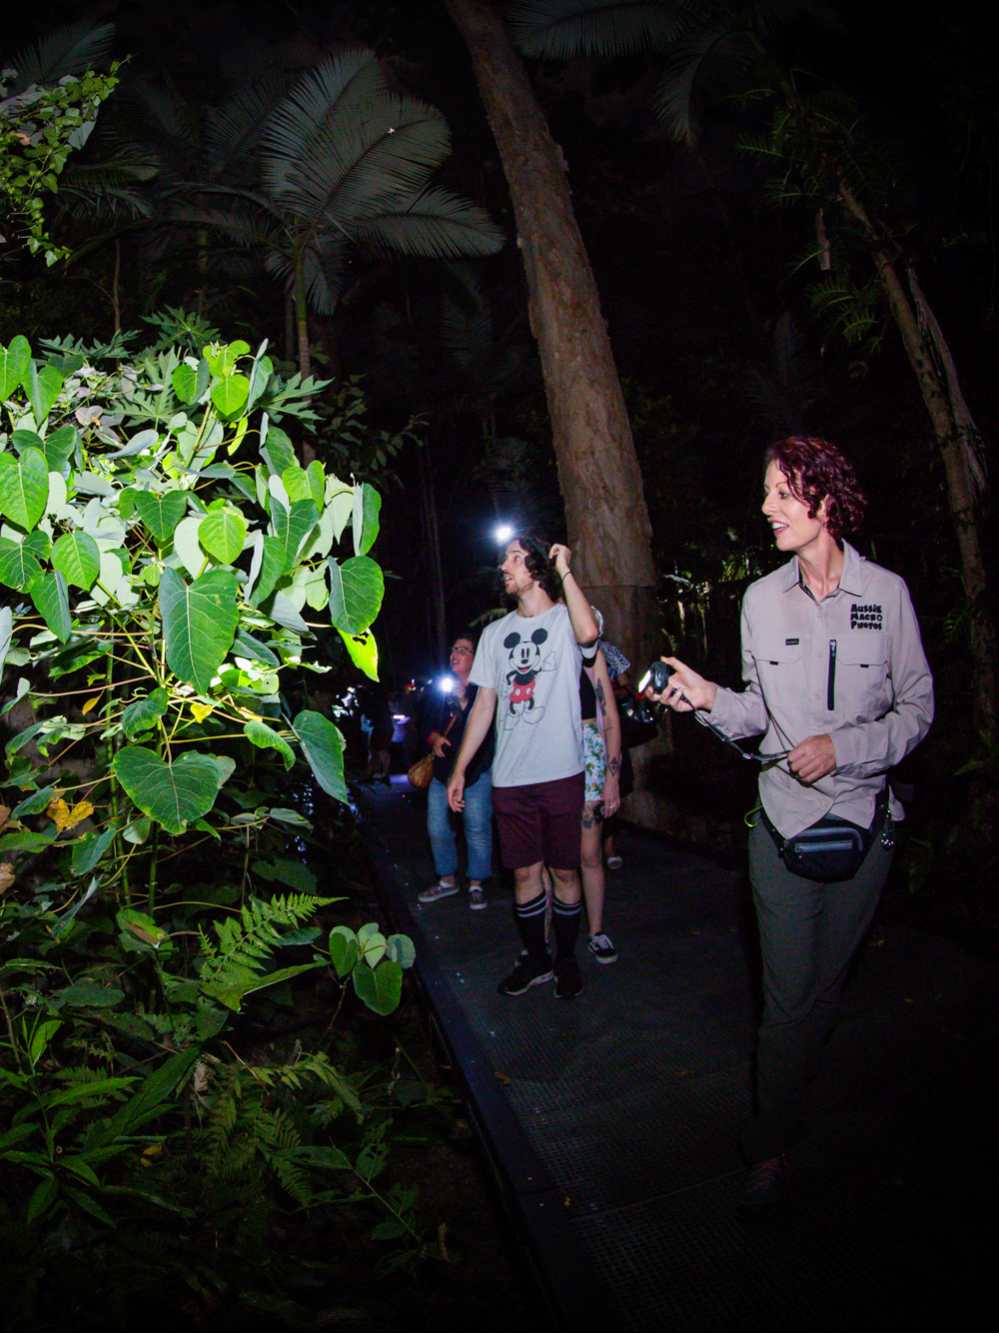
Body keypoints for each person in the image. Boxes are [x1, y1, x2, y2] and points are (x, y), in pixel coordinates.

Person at [648, 436, 933, 1220]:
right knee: (785, 1001)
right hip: (779, 827)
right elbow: (756, 717)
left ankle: (791, 1088)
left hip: (865, 826)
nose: (766, 506)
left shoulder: (887, 594)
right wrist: (709, 700)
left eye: (782, 491)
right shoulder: (759, 602)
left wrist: (845, 746)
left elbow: (916, 710)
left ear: (825, 500)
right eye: (766, 491)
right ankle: (769, 1143)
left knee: (823, 990)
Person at [447, 536, 601, 999]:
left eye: (515, 557)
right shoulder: (494, 635)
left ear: (538, 566)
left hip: (562, 772)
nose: (504, 566)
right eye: (505, 558)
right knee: (523, 874)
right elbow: (483, 708)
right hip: (510, 777)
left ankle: (567, 958)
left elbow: (590, 635)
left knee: (566, 873)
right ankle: (536, 958)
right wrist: (460, 769)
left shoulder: (567, 619)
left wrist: (566, 569)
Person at [418, 634, 494, 910]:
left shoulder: (485, 689)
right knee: (437, 827)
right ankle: (447, 880)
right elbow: (425, 724)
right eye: (453, 649)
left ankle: (476, 883)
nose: (455, 654)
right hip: (442, 772)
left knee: (477, 827)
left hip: (477, 771)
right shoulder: (440, 690)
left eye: (463, 650)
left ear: (475, 657)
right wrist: (434, 738)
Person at [579, 621, 623, 963]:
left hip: (589, 752)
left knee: (589, 853)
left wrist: (612, 778)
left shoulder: (593, 656)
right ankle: (544, 940)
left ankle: (596, 931)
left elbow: (610, 720)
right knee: (551, 859)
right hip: (549, 756)